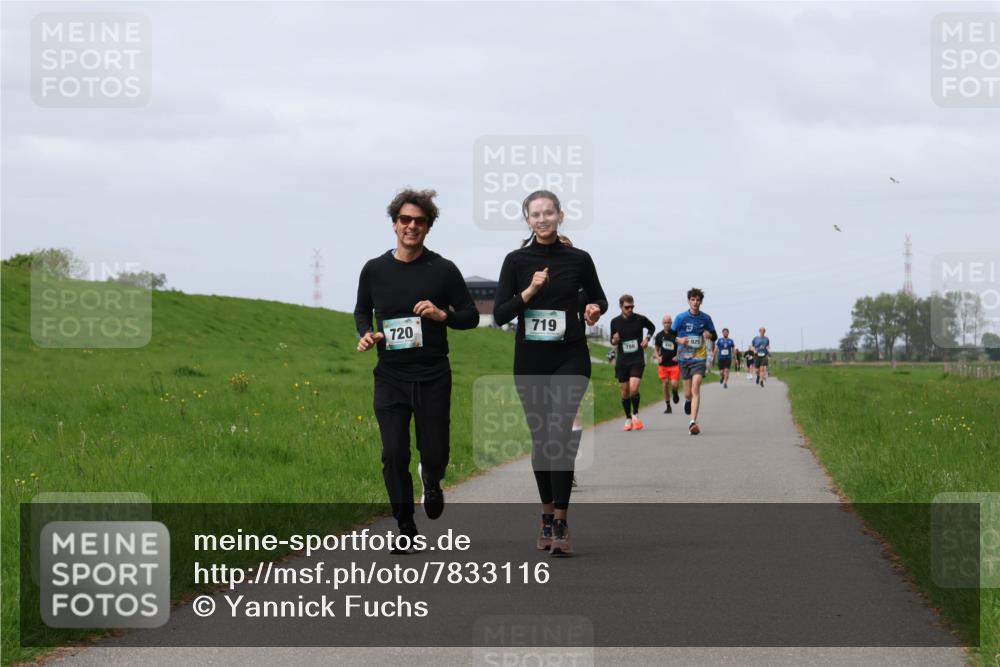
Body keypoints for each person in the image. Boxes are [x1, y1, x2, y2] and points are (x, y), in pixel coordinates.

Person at [354, 189, 479, 553]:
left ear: (428, 226)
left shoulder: (443, 270)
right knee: (393, 453)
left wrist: (443, 315)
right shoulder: (374, 269)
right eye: (405, 219)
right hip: (390, 375)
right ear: (394, 224)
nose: (412, 226)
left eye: (419, 221)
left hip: (433, 375)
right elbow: (361, 310)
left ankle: (433, 479)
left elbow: (471, 316)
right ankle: (405, 525)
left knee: (435, 452)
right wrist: (366, 333)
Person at [493, 190, 607, 557]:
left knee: (560, 434)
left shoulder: (578, 258)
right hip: (530, 360)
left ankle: (561, 521)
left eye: (548, 213)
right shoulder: (515, 261)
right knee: (542, 440)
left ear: (560, 215)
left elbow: (600, 298)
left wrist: (594, 310)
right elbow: (500, 314)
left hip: (570, 356)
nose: (542, 219)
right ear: (527, 220)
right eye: (535, 214)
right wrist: (530, 290)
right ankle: (545, 515)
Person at [671, 288, 717, 435]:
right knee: (688, 393)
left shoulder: (706, 318)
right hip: (684, 358)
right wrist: (679, 340)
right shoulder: (680, 318)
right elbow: (670, 335)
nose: (695, 302)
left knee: (696, 387)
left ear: (701, 302)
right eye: (693, 299)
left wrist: (709, 334)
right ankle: (688, 400)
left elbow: (714, 335)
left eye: (698, 300)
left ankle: (692, 422)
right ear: (688, 301)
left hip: (699, 357)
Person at [609, 295, 655, 431]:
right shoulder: (615, 322)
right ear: (621, 307)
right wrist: (614, 340)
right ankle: (628, 417)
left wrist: (647, 339)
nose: (630, 309)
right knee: (625, 392)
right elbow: (612, 341)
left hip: (637, 359)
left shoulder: (640, 319)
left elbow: (652, 327)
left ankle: (635, 414)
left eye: (632, 307)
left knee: (634, 388)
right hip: (622, 361)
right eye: (627, 307)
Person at [653, 314, 681, 413]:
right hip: (663, 365)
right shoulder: (659, 335)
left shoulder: (676, 334)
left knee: (674, 384)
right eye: (665, 323)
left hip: (674, 364)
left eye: (668, 322)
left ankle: (675, 392)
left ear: (671, 323)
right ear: (662, 323)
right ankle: (668, 406)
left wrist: (678, 356)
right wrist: (658, 357)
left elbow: (682, 347)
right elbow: (656, 349)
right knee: (665, 384)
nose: (667, 324)